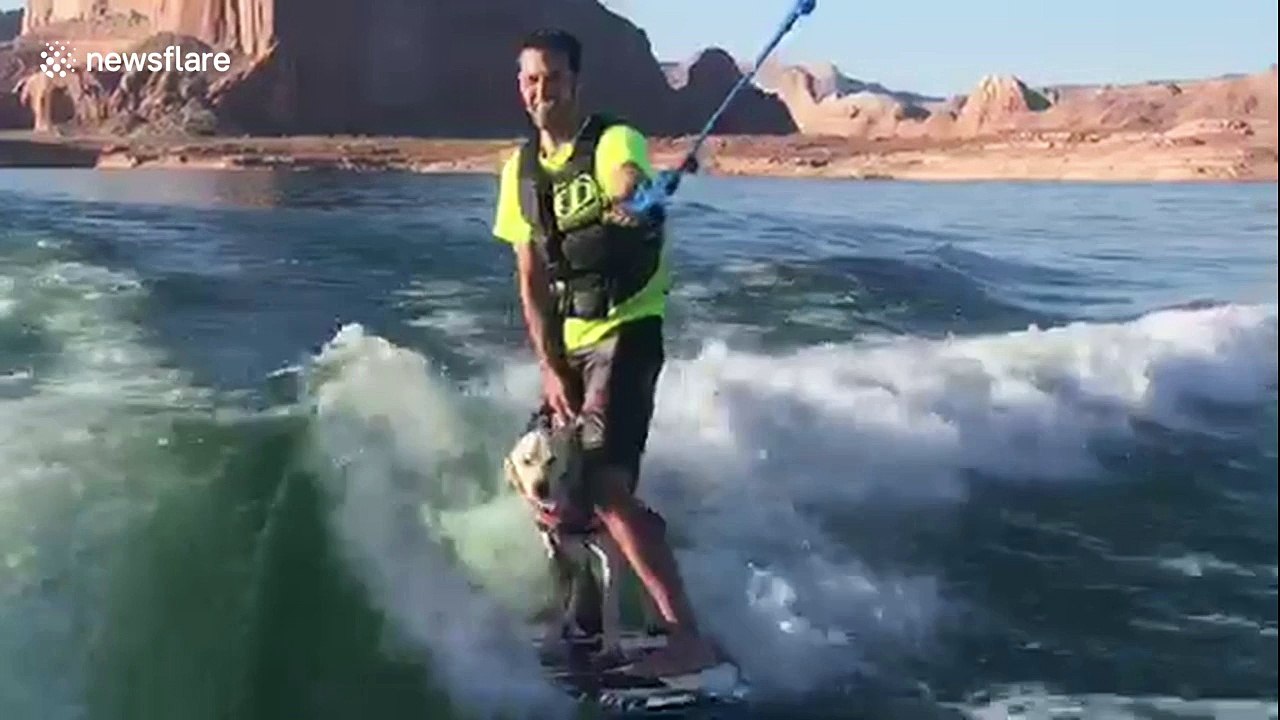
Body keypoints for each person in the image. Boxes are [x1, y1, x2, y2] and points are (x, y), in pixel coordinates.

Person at [490, 27, 718, 678]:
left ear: (575, 82)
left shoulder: (614, 140)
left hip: (628, 328)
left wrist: (637, 202)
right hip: (570, 341)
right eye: (531, 80)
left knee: (607, 485)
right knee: (550, 486)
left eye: (553, 79)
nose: (541, 91)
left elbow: (626, 183)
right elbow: (529, 275)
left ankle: (685, 638)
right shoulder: (520, 170)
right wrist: (548, 362)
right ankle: (585, 628)